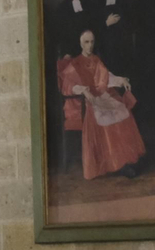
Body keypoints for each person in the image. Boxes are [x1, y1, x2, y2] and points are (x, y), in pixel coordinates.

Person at [58, 28, 148, 179]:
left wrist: (121, 80)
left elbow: (106, 77)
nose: (90, 45)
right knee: (104, 117)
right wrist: (84, 91)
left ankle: (124, 163)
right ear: (81, 43)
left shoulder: (96, 60)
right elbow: (67, 85)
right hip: (86, 102)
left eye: (92, 42)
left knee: (123, 112)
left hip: (101, 95)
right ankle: (111, 164)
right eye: (86, 42)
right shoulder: (75, 63)